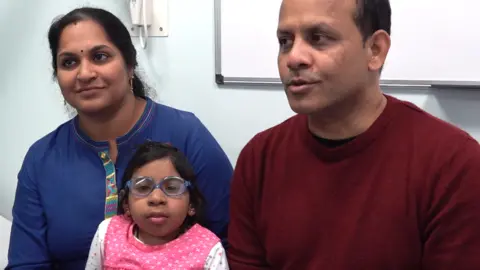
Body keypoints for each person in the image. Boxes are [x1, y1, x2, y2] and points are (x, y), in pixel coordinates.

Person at [227, 0, 480, 269]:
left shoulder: (453, 164)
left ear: (375, 50)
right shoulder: (259, 158)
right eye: (285, 41)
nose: (293, 58)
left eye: (319, 38)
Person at [7, 7, 233, 270]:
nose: (84, 73)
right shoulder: (42, 159)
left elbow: (232, 242)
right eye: (69, 62)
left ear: (130, 65)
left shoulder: (187, 135)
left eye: (100, 57)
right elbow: (27, 263)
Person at [85, 141, 229, 269]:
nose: (156, 198)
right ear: (126, 204)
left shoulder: (208, 250)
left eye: (172, 188)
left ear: (191, 204)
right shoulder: (108, 233)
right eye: (143, 188)